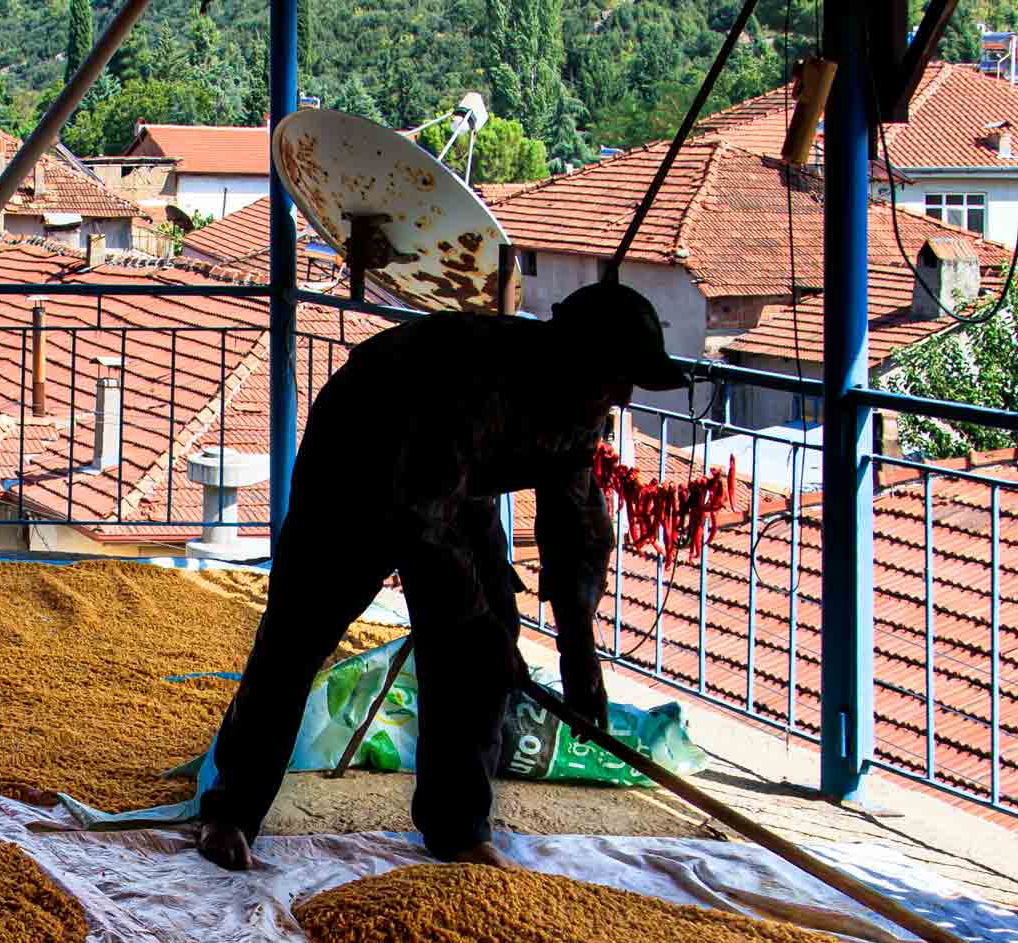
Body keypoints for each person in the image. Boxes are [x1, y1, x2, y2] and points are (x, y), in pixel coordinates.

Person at [191, 281, 688, 871]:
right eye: (616, 376)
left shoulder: (582, 406)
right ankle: (231, 811)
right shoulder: (478, 382)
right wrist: (480, 628)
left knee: (483, 648)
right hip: (356, 457)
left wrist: (580, 656)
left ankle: (458, 828)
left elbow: (573, 530)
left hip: (451, 485)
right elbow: (420, 525)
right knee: (299, 632)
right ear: (578, 357)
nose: (623, 394)